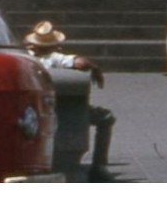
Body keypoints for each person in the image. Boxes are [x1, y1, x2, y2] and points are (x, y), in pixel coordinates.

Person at [25, 20, 114, 181]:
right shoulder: (56, 58)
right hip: (58, 105)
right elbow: (81, 63)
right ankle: (99, 165)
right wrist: (95, 68)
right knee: (106, 118)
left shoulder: (25, 58)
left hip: (31, 107)